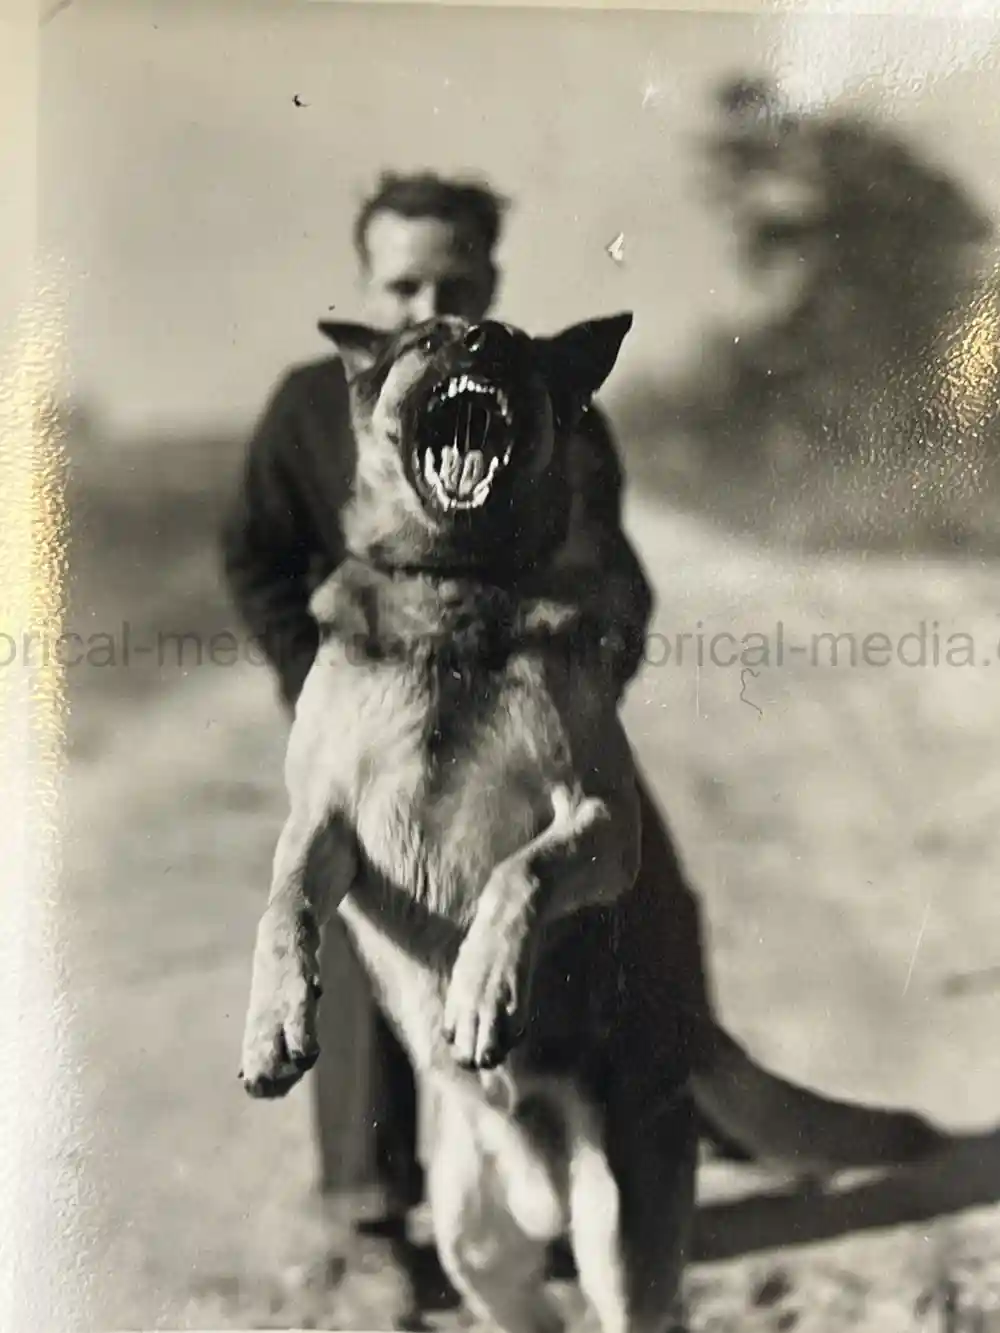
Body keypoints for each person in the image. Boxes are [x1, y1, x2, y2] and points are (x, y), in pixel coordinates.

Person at [221, 170, 714, 1308]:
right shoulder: (310, 405)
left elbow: (618, 577)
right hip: (375, 692)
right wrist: (319, 687)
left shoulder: (548, 403)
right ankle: (366, 1207)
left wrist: (573, 698)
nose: (430, 305)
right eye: (405, 286)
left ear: (491, 280)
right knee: (362, 913)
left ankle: (670, 1115)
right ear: (366, 289)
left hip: (525, 696)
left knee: (650, 897)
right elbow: (252, 551)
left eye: (455, 283)